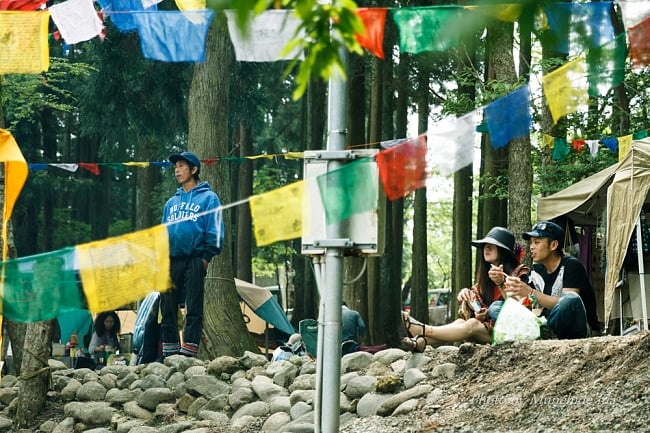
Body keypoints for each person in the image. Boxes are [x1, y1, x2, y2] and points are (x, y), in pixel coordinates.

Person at [402, 226, 529, 351]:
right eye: (485, 245)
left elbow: (519, 309)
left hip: (509, 331)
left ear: (503, 250)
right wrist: (468, 297)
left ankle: (422, 329)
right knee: (460, 323)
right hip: (487, 329)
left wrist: (501, 283)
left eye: (492, 245)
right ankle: (420, 342)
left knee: (471, 324)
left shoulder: (518, 274)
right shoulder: (484, 277)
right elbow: (478, 309)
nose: (486, 248)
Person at [161, 151, 224, 358]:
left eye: (181, 166)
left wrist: (206, 257)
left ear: (194, 169)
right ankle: (170, 350)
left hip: (197, 257)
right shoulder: (171, 203)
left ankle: (189, 351)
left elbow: (215, 229)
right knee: (167, 305)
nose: (177, 170)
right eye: (175, 167)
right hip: (171, 259)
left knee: (193, 305)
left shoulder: (209, 198)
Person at [504, 221, 599, 339]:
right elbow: (526, 304)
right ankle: (543, 332)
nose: (531, 247)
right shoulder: (536, 270)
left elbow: (568, 306)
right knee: (496, 307)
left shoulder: (572, 265)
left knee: (570, 299)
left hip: (578, 328)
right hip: (548, 325)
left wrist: (531, 292)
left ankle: (543, 332)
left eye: (537, 242)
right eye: (531, 242)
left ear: (553, 245)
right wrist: (506, 286)